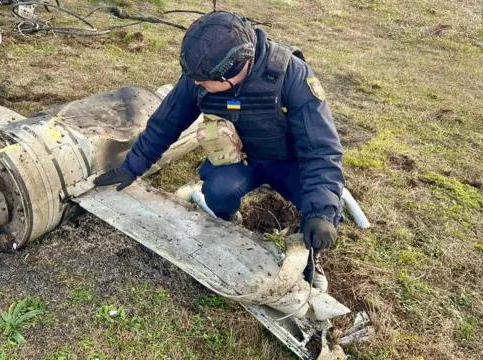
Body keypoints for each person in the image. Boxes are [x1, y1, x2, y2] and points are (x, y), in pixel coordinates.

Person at [93, 11, 344, 292]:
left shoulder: (291, 75)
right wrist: (131, 167)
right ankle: (227, 224)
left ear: (236, 69)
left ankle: (311, 255)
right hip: (241, 159)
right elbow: (166, 122)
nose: (196, 84)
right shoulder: (200, 74)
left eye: (204, 81)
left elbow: (321, 148)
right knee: (219, 191)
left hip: (289, 161)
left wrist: (321, 211)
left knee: (323, 213)